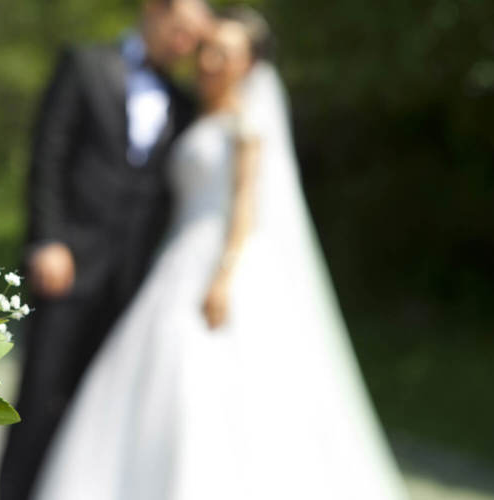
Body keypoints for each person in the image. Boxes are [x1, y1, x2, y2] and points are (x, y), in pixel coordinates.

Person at [30, 7, 409, 499]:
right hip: (170, 261)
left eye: (224, 53)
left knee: (203, 385)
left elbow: (247, 210)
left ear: (250, 65)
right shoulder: (191, 110)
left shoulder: (247, 124)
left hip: (214, 267)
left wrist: (224, 275)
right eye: (209, 49)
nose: (209, 60)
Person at [0, 1, 211, 499]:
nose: (185, 46)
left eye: (194, 39)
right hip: (66, 266)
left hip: (133, 286)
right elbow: (48, 157)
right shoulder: (84, 64)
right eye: (180, 31)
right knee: (37, 402)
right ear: (153, 10)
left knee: (93, 415)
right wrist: (47, 240)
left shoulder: (183, 102)